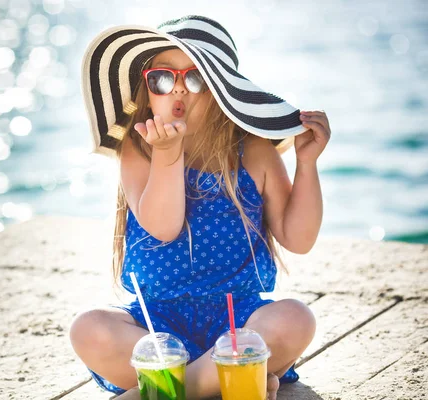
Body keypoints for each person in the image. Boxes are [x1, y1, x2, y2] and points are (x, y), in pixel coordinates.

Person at [71, 15, 330, 400]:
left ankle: (167, 392)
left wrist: (306, 164)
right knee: (87, 328)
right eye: (162, 78)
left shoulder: (254, 153)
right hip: (155, 324)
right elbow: (164, 226)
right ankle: (229, 380)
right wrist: (167, 155)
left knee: (295, 318)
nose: (178, 91)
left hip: (237, 320)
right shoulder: (138, 149)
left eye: (195, 79)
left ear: (221, 91)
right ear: (148, 90)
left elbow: (299, 238)